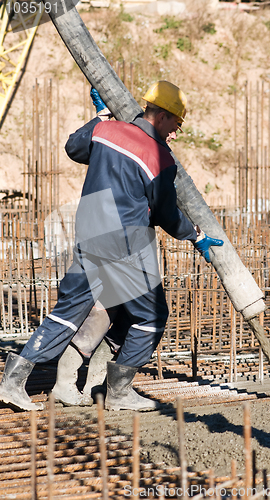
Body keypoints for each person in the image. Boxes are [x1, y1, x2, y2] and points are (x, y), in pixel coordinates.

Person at [0, 81, 224, 412]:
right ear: (161, 116)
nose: (176, 133)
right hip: (126, 239)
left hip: (90, 228)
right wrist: (196, 235)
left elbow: (74, 148)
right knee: (150, 317)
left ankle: (13, 381)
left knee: (69, 311)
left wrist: (100, 117)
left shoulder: (107, 131)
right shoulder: (159, 156)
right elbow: (165, 212)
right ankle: (118, 392)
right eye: (176, 124)